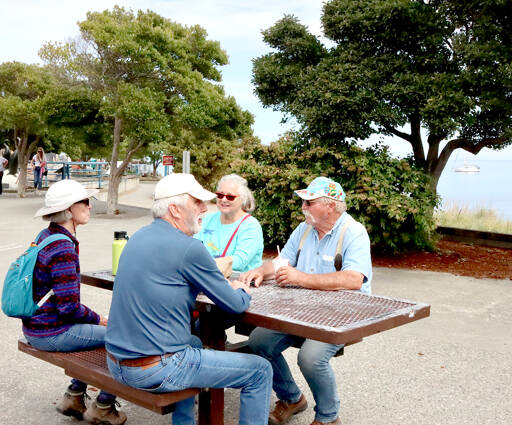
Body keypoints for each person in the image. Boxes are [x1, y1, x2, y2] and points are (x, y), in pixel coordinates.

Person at [105, 173, 272, 425]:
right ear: (175, 209)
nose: (205, 208)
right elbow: (235, 305)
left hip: (117, 361)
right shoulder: (189, 248)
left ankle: (184, 422)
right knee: (260, 370)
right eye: (197, 203)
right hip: (154, 368)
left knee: (193, 341)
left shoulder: (138, 237)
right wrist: (239, 288)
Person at [241, 176, 372, 425]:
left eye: (308, 203)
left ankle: (328, 417)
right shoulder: (304, 229)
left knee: (311, 358)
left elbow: (354, 279)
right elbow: (282, 262)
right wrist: (261, 271)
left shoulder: (353, 232)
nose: (303, 207)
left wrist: (301, 278)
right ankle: (292, 398)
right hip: (301, 310)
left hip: (341, 314)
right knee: (258, 342)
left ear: (330, 206)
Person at [23, 179, 127, 425]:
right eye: (86, 202)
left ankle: (74, 395)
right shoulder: (63, 248)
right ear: (70, 209)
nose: (90, 207)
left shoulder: (46, 235)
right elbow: (69, 308)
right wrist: (101, 319)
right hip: (50, 331)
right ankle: (103, 406)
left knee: (103, 328)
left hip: (35, 326)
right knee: (120, 336)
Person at [195, 173, 263, 273]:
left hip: (240, 283)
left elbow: (239, 262)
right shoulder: (207, 220)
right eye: (220, 195)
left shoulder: (251, 226)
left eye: (230, 197)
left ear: (242, 199)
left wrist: (201, 265)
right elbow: (193, 249)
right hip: (207, 277)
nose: (223, 199)